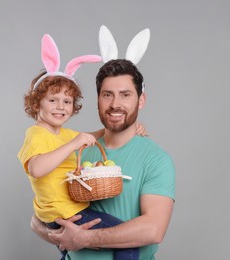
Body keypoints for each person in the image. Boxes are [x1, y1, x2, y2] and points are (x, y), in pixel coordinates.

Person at [30, 58, 176, 260]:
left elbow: (153, 229)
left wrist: (84, 238)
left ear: (141, 100)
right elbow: (38, 217)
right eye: (107, 95)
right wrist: (56, 236)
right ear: (98, 99)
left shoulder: (156, 160)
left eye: (125, 95)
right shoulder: (76, 151)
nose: (115, 104)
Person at [18, 34, 145, 260]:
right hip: (65, 213)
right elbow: (36, 169)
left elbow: (94, 136)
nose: (61, 107)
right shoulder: (37, 134)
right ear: (37, 103)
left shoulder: (64, 133)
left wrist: (130, 129)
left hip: (68, 211)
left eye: (67, 102)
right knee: (128, 244)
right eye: (52, 100)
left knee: (77, 254)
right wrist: (74, 144)